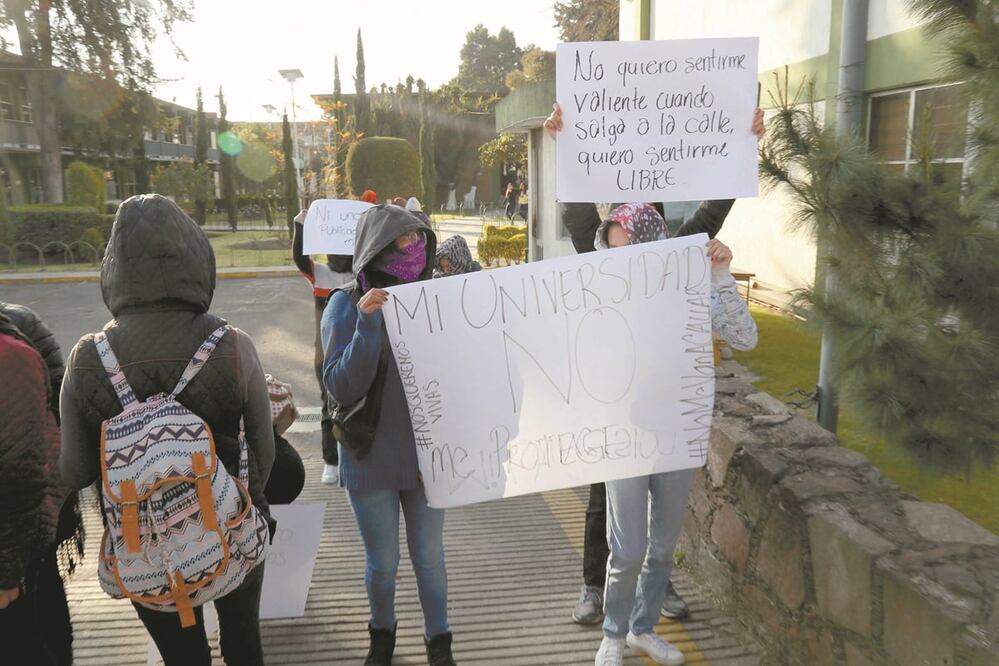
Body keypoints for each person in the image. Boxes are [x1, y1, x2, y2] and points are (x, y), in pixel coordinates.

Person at [544, 102, 766, 627]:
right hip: (610, 406)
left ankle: (656, 589)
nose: (624, 251)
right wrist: (564, 146)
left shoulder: (679, 253)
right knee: (603, 499)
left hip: (661, 409)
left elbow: (714, 211)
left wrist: (743, 145)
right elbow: (577, 215)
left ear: (656, 232)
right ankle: (593, 588)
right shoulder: (599, 256)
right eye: (615, 240)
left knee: (654, 514)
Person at [59, 194, 275, 666]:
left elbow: (73, 470)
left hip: (143, 547)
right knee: (242, 644)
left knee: (182, 658)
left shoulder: (87, 359)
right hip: (233, 530)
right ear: (197, 257)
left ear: (113, 267)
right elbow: (265, 450)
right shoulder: (233, 346)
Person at [593, 204, 758, 666]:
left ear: (654, 245)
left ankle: (642, 629)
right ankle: (613, 634)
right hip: (623, 438)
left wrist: (722, 277)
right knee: (626, 550)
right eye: (612, 251)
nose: (621, 260)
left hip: (675, 432)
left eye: (630, 250)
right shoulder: (599, 292)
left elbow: (745, 338)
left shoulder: (689, 290)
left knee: (662, 546)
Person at [321, 204, 456, 666]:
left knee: (430, 561)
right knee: (383, 566)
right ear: (374, 249)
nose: (413, 249)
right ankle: (383, 638)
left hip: (427, 460)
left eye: (419, 239)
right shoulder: (343, 305)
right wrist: (367, 323)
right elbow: (339, 384)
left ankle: (440, 645)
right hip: (370, 457)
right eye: (401, 240)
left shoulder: (434, 299)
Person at [0, 311, 72, 666]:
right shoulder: (21, 330)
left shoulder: (11, 356)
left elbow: (20, 472)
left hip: (16, 544)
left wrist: (6, 571)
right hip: (38, 528)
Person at [293, 208, 354, 484]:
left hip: (357, 349)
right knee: (329, 404)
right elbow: (300, 259)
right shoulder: (320, 275)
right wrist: (302, 225)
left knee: (357, 404)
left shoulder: (362, 272)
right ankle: (331, 459)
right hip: (327, 352)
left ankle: (353, 456)